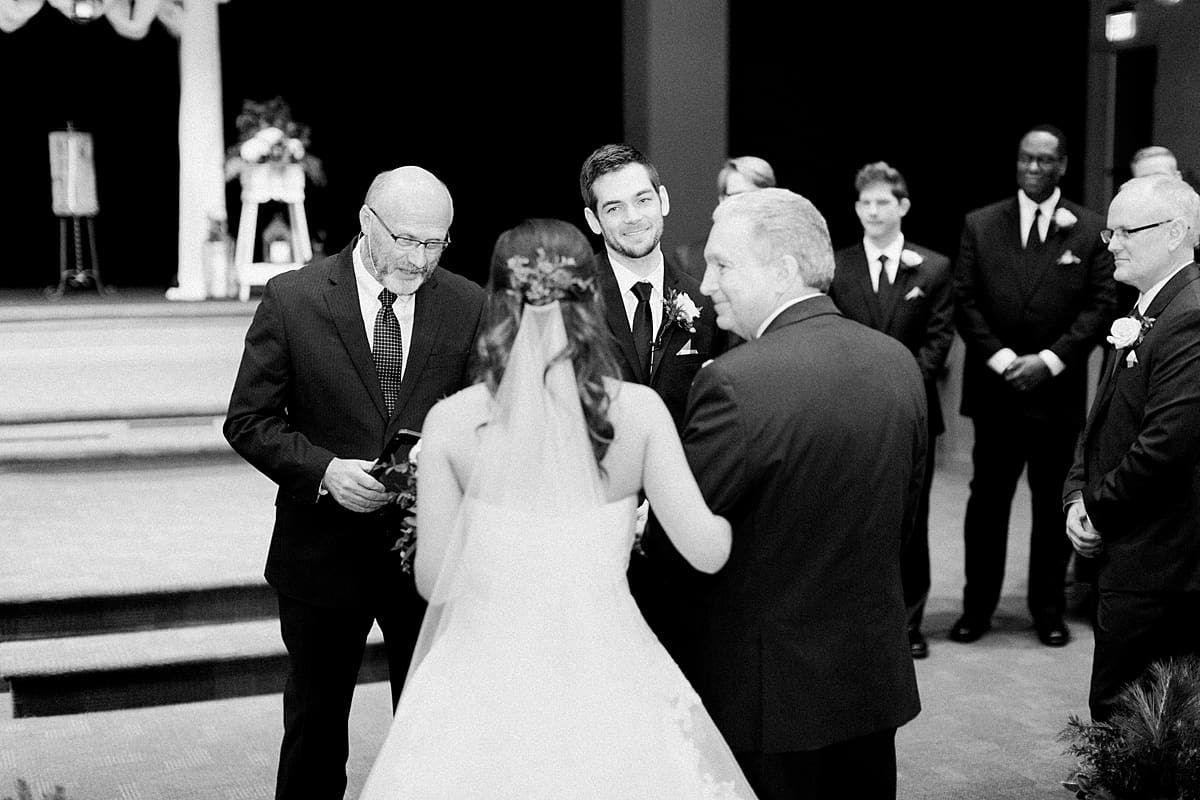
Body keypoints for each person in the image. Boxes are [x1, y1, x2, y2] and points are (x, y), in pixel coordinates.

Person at [357, 218, 759, 800]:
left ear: (498, 301)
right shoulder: (641, 413)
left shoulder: (452, 423)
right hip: (608, 670)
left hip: (486, 673)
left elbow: (433, 584)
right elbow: (707, 550)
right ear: (592, 296)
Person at [223, 166, 485, 800]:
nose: (420, 260)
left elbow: (488, 415)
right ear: (367, 222)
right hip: (321, 555)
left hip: (428, 554)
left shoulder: (469, 302)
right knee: (314, 732)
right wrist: (324, 471)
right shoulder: (294, 298)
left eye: (435, 244)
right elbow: (248, 421)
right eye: (406, 240)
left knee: (430, 728)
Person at [683, 187, 925, 800]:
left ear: (785, 270)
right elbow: (904, 525)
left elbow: (680, 548)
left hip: (770, 698)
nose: (706, 283)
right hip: (870, 681)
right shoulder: (897, 362)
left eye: (723, 265)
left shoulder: (734, 384)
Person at [951, 124, 1118, 648]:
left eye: (1045, 161)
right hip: (996, 390)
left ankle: (1047, 608)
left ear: (1063, 165)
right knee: (987, 504)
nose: (1034, 168)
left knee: (1052, 503)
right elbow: (964, 300)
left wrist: (1049, 361)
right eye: (1026, 159)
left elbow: (1100, 306)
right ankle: (977, 607)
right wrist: (1003, 359)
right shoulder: (981, 224)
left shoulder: (1089, 229)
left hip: (1056, 392)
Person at [578, 142, 730, 674]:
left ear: (664, 200)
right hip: (593, 530)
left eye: (642, 199)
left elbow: (724, 419)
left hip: (682, 523)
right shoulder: (568, 307)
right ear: (593, 221)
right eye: (613, 208)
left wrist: (670, 502)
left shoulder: (711, 301)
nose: (633, 217)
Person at [1063, 174, 1200, 722]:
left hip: (1158, 556)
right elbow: (1100, 420)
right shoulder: (1146, 308)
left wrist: (1097, 510)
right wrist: (1075, 491)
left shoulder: (1189, 315)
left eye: (1124, 231)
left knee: (1128, 709)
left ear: (1175, 233)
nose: (1110, 242)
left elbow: (1165, 446)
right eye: (1108, 232)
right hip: (1131, 542)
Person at [829, 161, 954, 661]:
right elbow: (834, 333)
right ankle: (856, 616)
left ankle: (909, 621)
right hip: (850, 411)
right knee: (853, 517)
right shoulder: (838, 266)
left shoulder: (934, 267)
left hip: (914, 412)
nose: (873, 211)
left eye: (883, 202)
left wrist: (896, 388)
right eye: (865, 203)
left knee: (911, 519)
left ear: (902, 206)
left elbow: (938, 341)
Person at [675, 155, 778, 277]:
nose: (748, 203)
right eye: (739, 196)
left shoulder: (791, 249)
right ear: (722, 200)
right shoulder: (689, 259)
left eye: (755, 196)